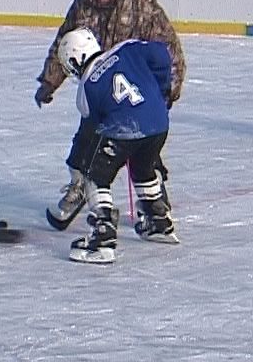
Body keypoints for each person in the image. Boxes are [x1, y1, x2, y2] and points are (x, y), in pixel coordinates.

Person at [34, 0, 186, 228]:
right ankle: (81, 185)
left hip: (136, 88)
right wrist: (50, 81)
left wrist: (167, 91)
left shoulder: (142, 6)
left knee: (141, 143)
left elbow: (169, 48)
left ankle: (154, 196)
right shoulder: (83, 5)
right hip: (98, 89)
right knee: (87, 138)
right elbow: (64, 42)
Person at [57, 27, 179, 264]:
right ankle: (158, 221)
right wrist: (161, 88)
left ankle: (103, 235)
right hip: (159, 123)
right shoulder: (127, 48)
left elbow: (92, 128)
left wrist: (84, 163)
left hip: (123, 129)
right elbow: (161, 54)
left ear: (74, 59)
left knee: (96, 176)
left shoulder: (85, 89)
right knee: (142, 169)